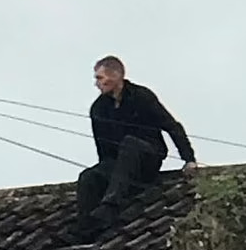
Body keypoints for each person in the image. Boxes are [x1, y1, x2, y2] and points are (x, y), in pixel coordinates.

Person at [75, 56, 197, 240]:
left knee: (130, 143)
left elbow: (172, 126)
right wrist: (104, 176)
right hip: (119, 164)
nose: (97, 84)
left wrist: (188, 159)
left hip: (148, 157)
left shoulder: (141, 96)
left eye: (100, 78)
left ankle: (110, 206)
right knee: (88, 177)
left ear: (116, 76)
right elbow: (104, 150)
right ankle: (86, 226)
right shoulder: (98, 108)